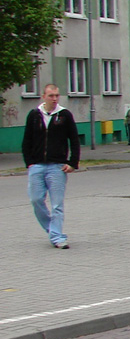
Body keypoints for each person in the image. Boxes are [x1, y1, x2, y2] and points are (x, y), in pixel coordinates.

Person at [22, 84, 80, 249]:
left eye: (56, 95)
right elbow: (27, 140)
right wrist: (29, 162)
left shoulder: (64, 115)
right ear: (43, 96)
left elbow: (74, 140)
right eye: (51, 96)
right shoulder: (34, 115)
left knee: (57, 205)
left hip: (57, 166)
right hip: (37, 166)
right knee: (36, 199)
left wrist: (72, 163)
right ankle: (53, 230)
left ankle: (57, 237)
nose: (54, 99)